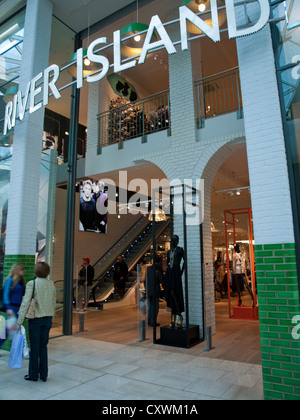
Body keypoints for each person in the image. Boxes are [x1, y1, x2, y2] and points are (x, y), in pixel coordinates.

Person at [17, 262, 56, 382]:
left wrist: (20, 319)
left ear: (35, 271)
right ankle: (44, 374)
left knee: (34, 347)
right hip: (48, 318)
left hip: (35, 319)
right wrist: (52, 317)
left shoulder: (32, 283)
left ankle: (33, 374)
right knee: (43, 346)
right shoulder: (51, 284)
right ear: (47, 272)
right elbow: (54, 302)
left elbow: (26, 302)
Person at [0, 264, 25, 349]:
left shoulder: (21, 281)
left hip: (19, 308)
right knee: (7, 330)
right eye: (21, 270)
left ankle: (18, 349)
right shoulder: (10, 280)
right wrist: (8, 308)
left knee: (16, 329)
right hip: (12, 307)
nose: (23, 272)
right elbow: (5, 295)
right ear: (17, 270)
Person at [164, 235, 185, 328]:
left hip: (176, 271)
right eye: (173, 240)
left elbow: (185, 261)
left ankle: (179, 315)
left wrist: (181, 271)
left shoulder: (180, 250)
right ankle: (173, 316)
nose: (174, 242)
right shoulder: (169, 252)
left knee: (175, 292)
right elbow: (168, 263)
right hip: (170, 273)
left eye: (176, 240)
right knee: (170, 292)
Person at [146, 256, 164, 327]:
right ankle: (153, 321)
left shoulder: (148, 269)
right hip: (155, 290)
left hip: (149, 290)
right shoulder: (157, 270)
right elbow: (162, 281)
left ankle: (149, 320)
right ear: (159, 262)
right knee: (155, 307)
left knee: (150, 306)